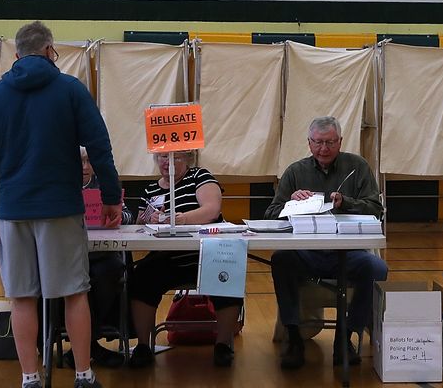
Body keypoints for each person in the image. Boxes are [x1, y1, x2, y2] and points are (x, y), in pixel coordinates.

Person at [0, 21, 119, 388]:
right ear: (51, 51)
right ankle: (83, 375)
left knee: (21, 298)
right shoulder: (70, 89)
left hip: (15, 208)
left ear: (16, 55)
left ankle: (30, 378)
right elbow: (99, 146)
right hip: (61, 207)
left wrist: (7, 172)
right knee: (73, 293)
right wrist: (111, 196)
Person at [266, 116, 388, 369]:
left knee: (376, 268)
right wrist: (292, 203)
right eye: (318, 142)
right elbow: (271, 213)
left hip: (346, 253)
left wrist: (347, 203)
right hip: (306, 253)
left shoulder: (357, 167)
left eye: (330, 142)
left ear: (340, 141)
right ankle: (293, 335)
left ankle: (347, 335)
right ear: (309, 143)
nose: (324, 148)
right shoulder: (295, 172)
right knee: (281, 259)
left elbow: (376, 208)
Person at [126, 151, 242, 368]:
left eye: (176, 158)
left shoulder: (200, 176)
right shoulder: (151, 189)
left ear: (189, 159)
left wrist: (180, 219)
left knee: (226, 270)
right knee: (142, 275)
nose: (167, 162)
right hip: (167, 256)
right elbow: (140, 225)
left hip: (205, 253)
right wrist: (145, 219)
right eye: (162, 157)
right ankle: (143, 346)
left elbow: (211, 209)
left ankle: (223, 344)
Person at [61, 147, 133, 369]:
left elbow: (128, 214)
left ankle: (85, 346)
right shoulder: (59, 185)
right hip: (66, 255)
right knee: (73, 282)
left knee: (109, 273)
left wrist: (118, 218)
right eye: (79, 161)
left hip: (101, 254)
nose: (84, 167)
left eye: (88, 161)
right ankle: (89, 348)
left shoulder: (104, 184)